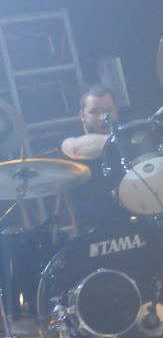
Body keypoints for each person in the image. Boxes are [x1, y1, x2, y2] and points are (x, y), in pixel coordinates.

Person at [61, 84, 123, 232]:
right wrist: (124, 139)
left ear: (116, 111)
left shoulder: (126, 133)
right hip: (92, 231)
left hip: (135, 219)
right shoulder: (70, 138)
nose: (103, 117)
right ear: (82, 115)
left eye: (108, 110)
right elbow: (75, 148)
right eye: (95, 112)